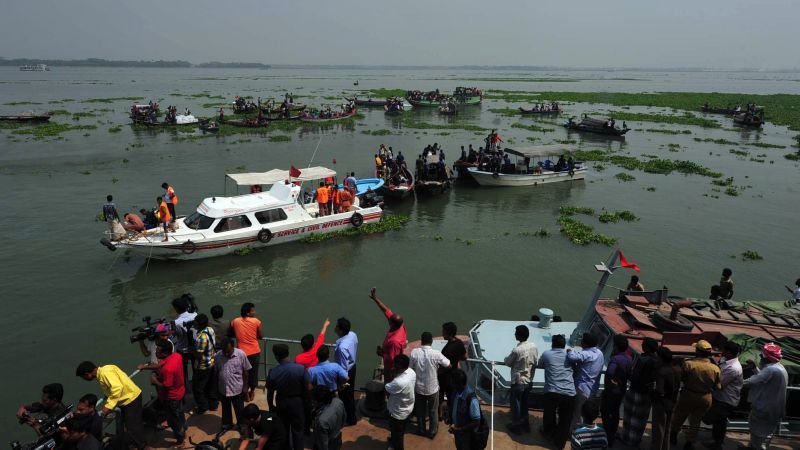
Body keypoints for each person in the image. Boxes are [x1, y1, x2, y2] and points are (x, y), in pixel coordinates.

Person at [75, 361, 145, 449]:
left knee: (133, 426)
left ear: (87, 374)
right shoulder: (107, 368)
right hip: (130, 396)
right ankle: (133, 443)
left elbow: (117, 388)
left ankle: (143, 446)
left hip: (130, 399)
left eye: (83, 377)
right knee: (128, 424)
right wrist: (108, 395)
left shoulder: (105, 374)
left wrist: (108, 406)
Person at [669, 340, 721, 450]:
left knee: (679, 416)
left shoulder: (688, 364)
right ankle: (689, 442)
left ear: (697, 351)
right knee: (696, 420)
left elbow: (681, 378)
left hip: (688, 395)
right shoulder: (715, 368)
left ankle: (673, 435)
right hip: (705, 398)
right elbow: (718, 387)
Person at [139, 340, 186, 447]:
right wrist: (145, 367)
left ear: (164, 353)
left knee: (174, 420)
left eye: (157, 350)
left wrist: (154, 381)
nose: (155, 352)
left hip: (172, 397)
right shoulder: (176, 356)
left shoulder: (167, 369)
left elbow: (166, 386)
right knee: (180, 414)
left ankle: (180, 441)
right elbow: (160, 365)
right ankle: (184, 430)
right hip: (180, 392)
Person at [742, 342, 788, 450]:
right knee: (761, 434)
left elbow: (753, 381)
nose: (760, 358)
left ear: (767, 358)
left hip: (765, 408)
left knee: (760, 435)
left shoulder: (771, 370)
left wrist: (735, 382)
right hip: (772, 408)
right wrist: (754, 368)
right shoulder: (778, 368)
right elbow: (763, 378)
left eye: (762, 356)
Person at [267, 344, 310, 450]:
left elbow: (270, 393)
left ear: (276, 356)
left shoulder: (273, 372)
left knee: (283, 430)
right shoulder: (301, 369)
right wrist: (307, 404)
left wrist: (271, 406)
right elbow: (308, 388)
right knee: (298, 431)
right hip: (297, 402)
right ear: (288, 353)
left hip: (281, 403)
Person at [701, 341, 743, 450]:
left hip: (726, 400)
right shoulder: (728, 362)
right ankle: (716, 442)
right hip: (722, 398)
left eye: (724, 350)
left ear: (729, 352)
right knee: (719, 422)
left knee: (711, 419)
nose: (722, 352)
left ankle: (717, 444)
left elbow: (720, 384)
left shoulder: (733, 368)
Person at [619, 337, 659, 447]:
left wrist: (627, 374)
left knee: (630, 417)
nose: (642, 346)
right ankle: (636, 439)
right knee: (641, 419)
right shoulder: (657, 360)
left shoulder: (643, 359)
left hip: (637, 391)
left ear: (647, 347)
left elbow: (635, 376)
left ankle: (628, 439)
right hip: (648, 393)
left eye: (644, 344)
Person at [410, 331, 451, 438]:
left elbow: (410, 368)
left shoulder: (414, 352)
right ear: (431, 341)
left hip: (418, 387)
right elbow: (448, 365)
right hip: (432, 388)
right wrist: (438, 370)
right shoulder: (436, 354)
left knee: (420, 411)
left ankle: (421, 429)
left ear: (421, 341)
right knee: (433, 411)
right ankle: (432, 431)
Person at [538, 334, 575, 449]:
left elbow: (540, 365)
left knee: (549, 415)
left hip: (552, 391)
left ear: (552, 344)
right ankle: (560, 443)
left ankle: (548, 434)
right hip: (569, 392)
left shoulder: (547, 354)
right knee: (565, 419)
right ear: (564, 345)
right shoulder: (570, 355)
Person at [503, 324, 539, 433]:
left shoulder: (517, 350)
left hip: (518, 382)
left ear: (520, 335)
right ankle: (526, 425)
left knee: (516, 405)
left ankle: (517, 427)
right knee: (524, 403)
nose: (515, 334)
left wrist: (505, 359)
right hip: (529, 380)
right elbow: (536, 361)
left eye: (516, 333)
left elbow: (508, 363)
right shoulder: (534, 346)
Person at [567, 333, 604, 432]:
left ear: (585, 343)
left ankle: (575, 432)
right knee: (585, 412)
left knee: (578, 412)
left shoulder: (586, 354)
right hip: (593, 388)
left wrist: (569, 351)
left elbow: (572, 357)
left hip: (582, 388)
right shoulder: (600, 353)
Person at [369, 287, 407, 382]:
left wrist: (381, 353)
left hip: (391, 368)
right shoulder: (400, 325)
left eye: (389, 319)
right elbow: (386, 310)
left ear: (392, 323)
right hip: (395, 349)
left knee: (389, 385)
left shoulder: (394, 341)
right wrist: (375, 298)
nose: (388, 318)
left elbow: (392, 359)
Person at [214, 336, 251, 433]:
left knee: (239, 409)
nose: (226, 353)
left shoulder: (241, 354)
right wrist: (216, 388)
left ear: (233, 347)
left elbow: (246, 372)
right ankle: (227, 424)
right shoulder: (218, 355)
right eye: (224, 351)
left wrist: (245, 387)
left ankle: (242, 425)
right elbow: (216, 372)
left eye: (228, 351)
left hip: (237, 388)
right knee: (225, 409)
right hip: (223, 388)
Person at [600, 335, 632, 446]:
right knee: (615, 412)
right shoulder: (629, 358)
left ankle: (608, 435)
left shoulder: (615, 359)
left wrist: (612, 383)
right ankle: (612, 433)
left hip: (611, 391)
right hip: (621, 390)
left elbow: (610, 372)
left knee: (605, 411)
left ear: (616, 347)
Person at [231, 302, 263, 402]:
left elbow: (232, 331)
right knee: (253, 373)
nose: (255, 312)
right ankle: (252, 392)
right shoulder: (256, 321)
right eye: (253, 310)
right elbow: (261, 336)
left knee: (243, 374)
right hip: (254, 351)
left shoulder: (235, 321)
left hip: (240, 352)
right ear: (248, 313)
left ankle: (244, 393)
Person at [385, 354, 416, 450]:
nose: (394, 366)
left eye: (395, 365)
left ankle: (396, 445)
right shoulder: (411, 372)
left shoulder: (399, 382)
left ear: (400, 366)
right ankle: (394, 439)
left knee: (397, 433)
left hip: (397, 412)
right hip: (407, 407)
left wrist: (391, 374)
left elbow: (387, 387)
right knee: (400, 431)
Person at [651, 347, 680, 450]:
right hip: (672, 402)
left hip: (661, 403)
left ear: (661, 358)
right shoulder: (676, 369)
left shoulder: (662, 372)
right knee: (667, 429)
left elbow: (660, 390)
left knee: (658, 429)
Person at [449, 368, 485, 450]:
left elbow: (476, 422)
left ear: (460, 384)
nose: (451, 384)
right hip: (458, 434)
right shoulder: (455, 393)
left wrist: (460, 429)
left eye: (453, 383)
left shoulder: (471, 399)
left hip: (467, 437)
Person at [333, 317, 358, 426]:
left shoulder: (341, 348)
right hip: (352, 367)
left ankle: (350, 419)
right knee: (350, 394)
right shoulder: (353, 335)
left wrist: (342, 382)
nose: (335, 327)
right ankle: (350, 416)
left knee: (345, 396)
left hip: (345, 373)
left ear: (341, 330)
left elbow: (343, 367)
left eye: (337, 326)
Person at [193, 313, 219, 414]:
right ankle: (213, 404)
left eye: (195, 323)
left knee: (198, 388)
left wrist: (192, 350)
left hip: (203, 366)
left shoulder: (201, 338)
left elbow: (199, 355)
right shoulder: (210, 330)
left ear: (199, 325)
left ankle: (202, 407)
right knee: (211, 385)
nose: (193, 324)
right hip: (212, 362)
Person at [172, 294, 198, 385]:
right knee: (196, 370)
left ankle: (186, 389)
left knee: (183, 373)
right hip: (194, 348)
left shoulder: (175, 323)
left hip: (182, 350)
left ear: (176, 309)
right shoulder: (195, 315)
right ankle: (196, 386)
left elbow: (175, 335)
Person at [311, 385, 345, 450]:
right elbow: (343, 420)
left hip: (329, 444)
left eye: (313, 400)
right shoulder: (338, 402)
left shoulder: (321, 420)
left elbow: (323, 444)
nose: (311, 402)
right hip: (337, 438)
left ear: (319, 402)